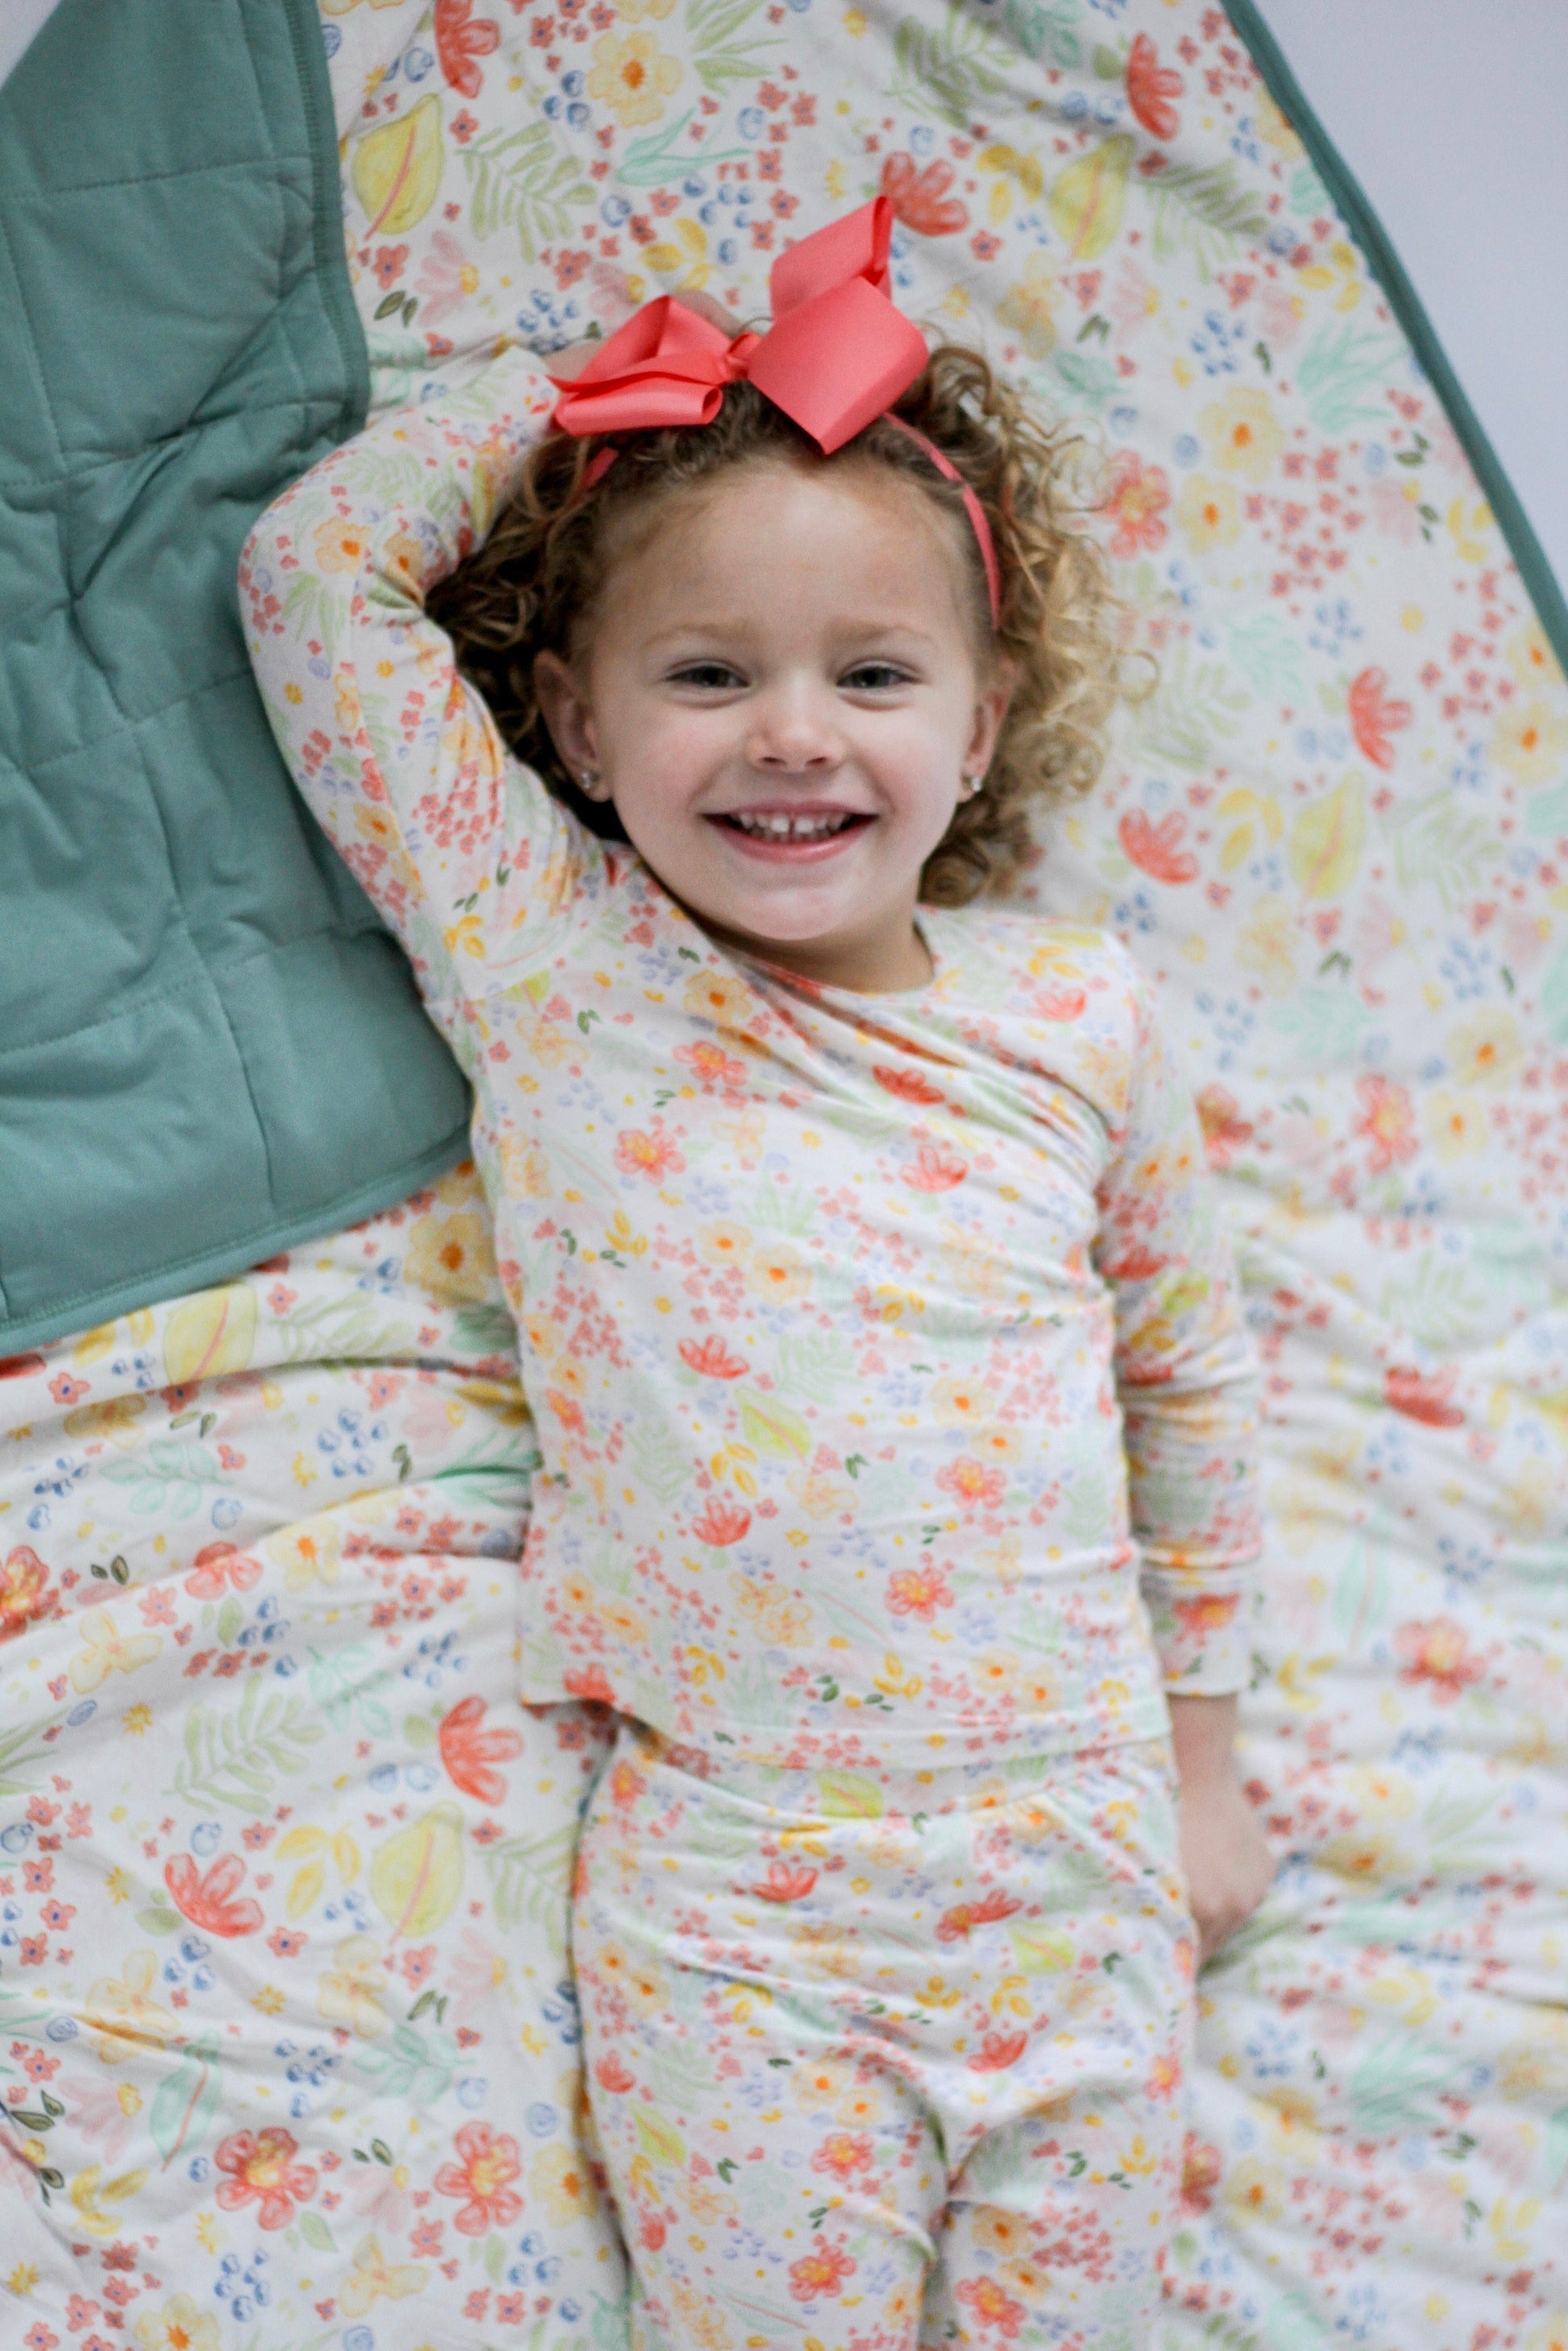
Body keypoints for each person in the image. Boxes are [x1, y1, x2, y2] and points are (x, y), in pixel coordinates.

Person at [244, 200, 1273, 2351]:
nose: (793, 733)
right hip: (740, 1904)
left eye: (871, 678)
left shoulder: (1074, 1016)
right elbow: (314, 582)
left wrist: (1198, 1766)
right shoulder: (555, 964)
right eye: (707, 676)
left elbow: (1186, 1397)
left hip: (1073, 1855)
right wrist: (605, 387)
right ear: (580, 730)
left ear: (977, 740)